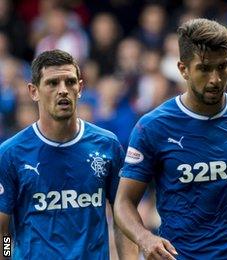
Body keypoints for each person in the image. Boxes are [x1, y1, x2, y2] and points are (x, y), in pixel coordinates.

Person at [114, 18, 227, 259]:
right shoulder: (153, 128)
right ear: (183, 69)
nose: (215, 79)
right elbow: (124, 202)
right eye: (204, 68)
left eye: (222, 67)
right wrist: (145, 237)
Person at [0, 49, 136, 259]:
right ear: (33, 91)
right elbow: (3, 232)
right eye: (53, 83)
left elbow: (123, 216)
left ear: (80, 88)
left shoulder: (107, 145)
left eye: (70, 82)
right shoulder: (10, 154)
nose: (63, 90)